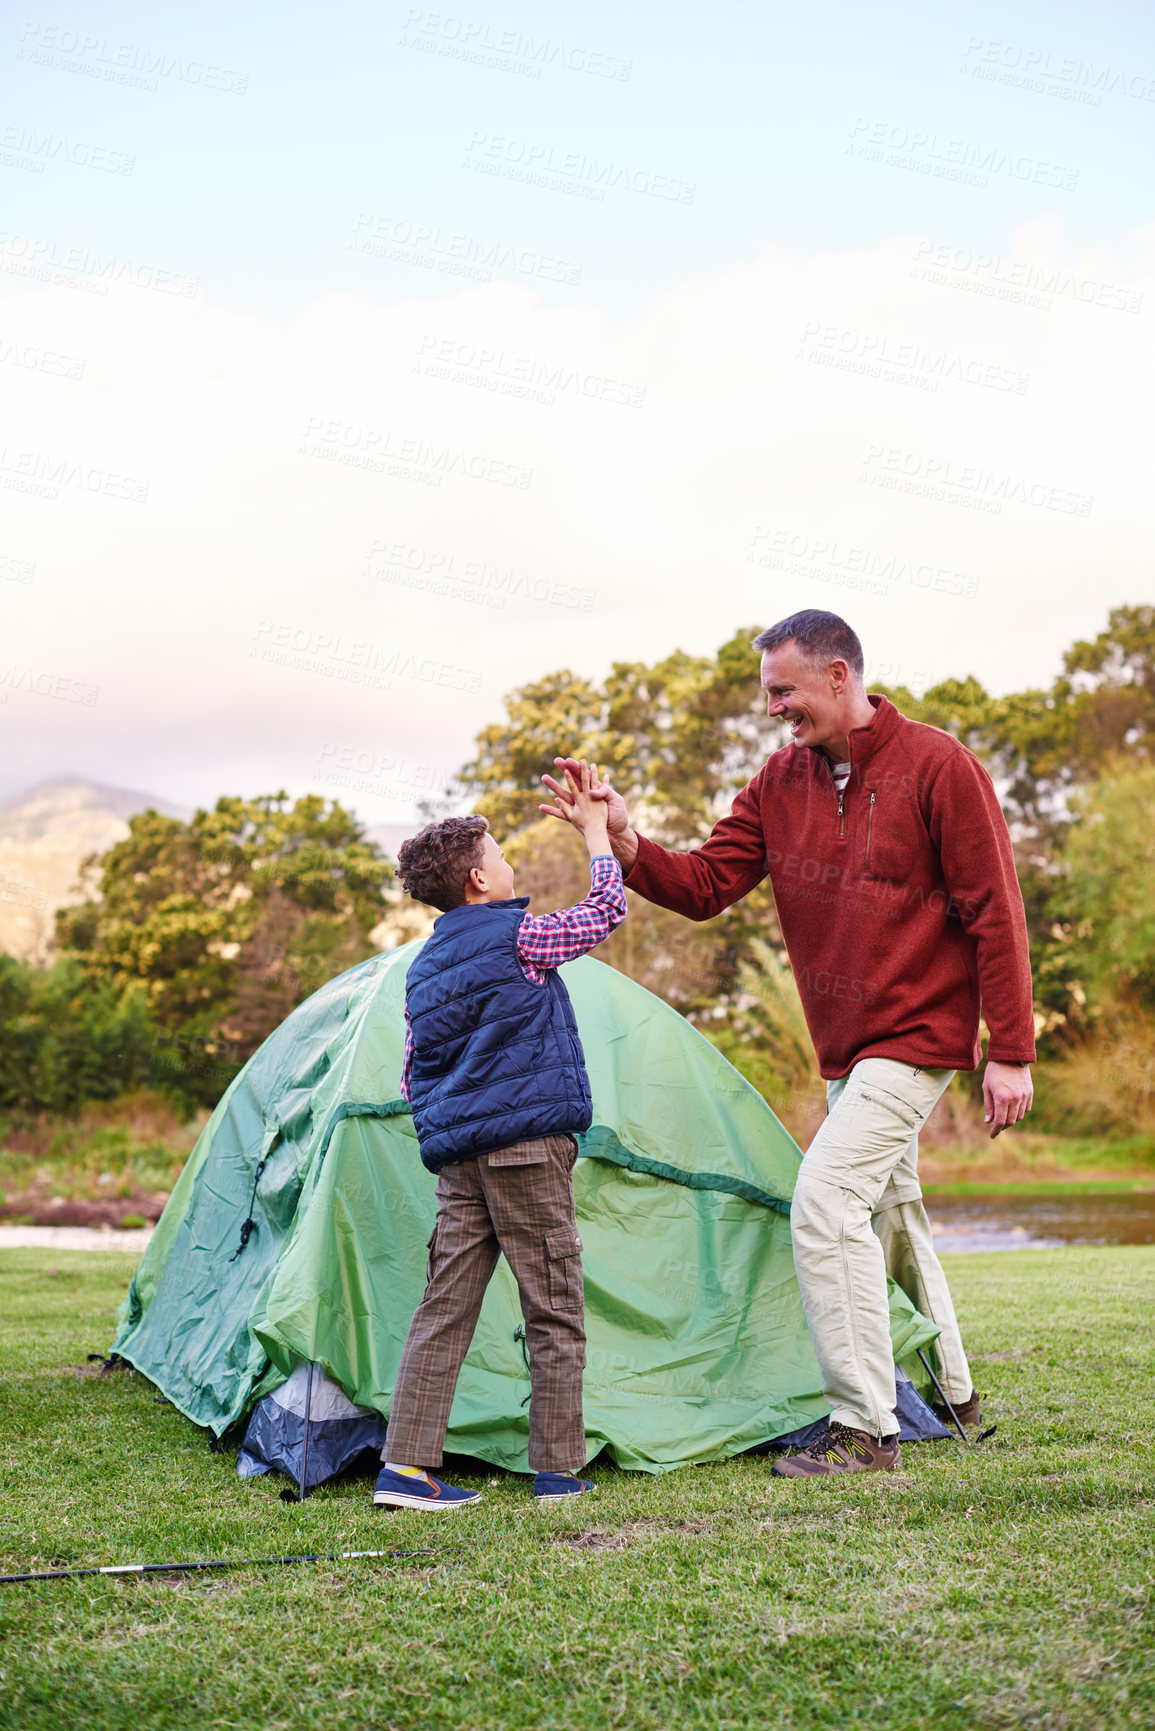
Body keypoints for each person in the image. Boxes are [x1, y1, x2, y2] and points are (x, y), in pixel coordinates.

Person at [542, 610, 1035, 1478]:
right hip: (846, 1048)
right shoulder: (778, 782)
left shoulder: (937, 765)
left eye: (784, 691)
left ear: (838, 676)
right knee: (888, 1212)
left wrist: (1011, 1049)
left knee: (823, 1201)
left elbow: (994, 908)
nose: (772, 708)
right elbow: (703, 884)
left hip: (918, 1037)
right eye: (767, 693)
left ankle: (863, 1429)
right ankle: (954, 1395)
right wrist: (623, 837)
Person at [374, 764, 627, 1511]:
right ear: (480, 879)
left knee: (443, 1306)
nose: (510, 861)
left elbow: (411, 1077)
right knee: (552, 1304)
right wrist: (594, 832)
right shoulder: (519, 937)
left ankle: (405, 1468)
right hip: (525, 1147)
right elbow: (604, 909)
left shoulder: (422, 968)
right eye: (501, 851)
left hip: (459, 1160)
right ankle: (557, 1470)